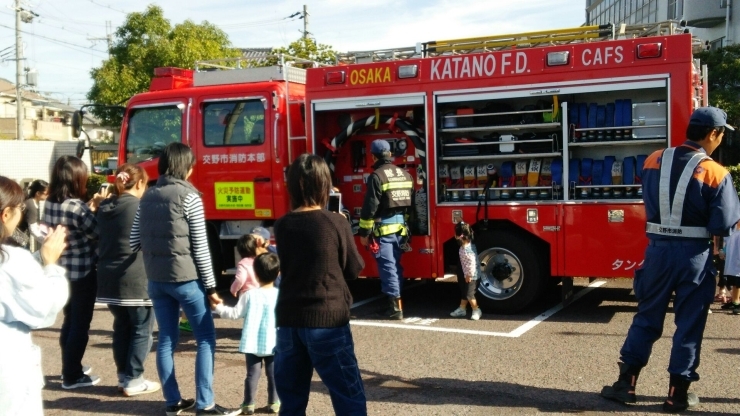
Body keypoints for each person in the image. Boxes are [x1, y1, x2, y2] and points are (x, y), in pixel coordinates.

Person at [601, 106, 740, 413]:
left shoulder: (654, 160)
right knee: (689, 325)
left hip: (657, 253)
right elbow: (724, 224)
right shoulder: (716, 173)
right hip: (694, 256)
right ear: (713, 134)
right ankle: (677, 394)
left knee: (646, 318)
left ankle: (626, 385)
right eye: (720, 135)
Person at [130, 142, 239, 416]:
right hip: (187, 280)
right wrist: (212, 287)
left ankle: (173, 402)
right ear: (186, 167)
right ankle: (206, 404)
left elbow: (133, 242)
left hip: (156, 280)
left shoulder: (147, 197)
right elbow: (201, 248)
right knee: (205, 338)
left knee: (166, 339)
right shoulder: (190, 198)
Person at [273, 153, 366, 415]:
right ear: (324, 184)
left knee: (291, 399)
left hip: (290, 321)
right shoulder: (335, 222)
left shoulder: (282, 225)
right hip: (327, 321)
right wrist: (344, 225)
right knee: (348, 395)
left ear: (293, 185)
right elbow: (354, 269)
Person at [0, 176, 68, 415]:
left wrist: (39, 258)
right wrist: (50, 265)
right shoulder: (9, 259)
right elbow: (43, 309)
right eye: (19, 208)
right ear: (5, 214)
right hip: (7, 367)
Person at [96, 164, 161, 397]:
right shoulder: (142, 207)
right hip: (135, 276)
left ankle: (124, 376)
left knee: (121, 327)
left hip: (107, 277)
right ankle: (134, 379)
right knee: (142, 328)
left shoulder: (104, 206)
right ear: (141, 183)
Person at [44, 155, 107, 389]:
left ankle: (69, 366)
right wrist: (98, 207)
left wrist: (90, 207)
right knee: (80, 324)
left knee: (70, 321)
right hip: (82, 271)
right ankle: (72, 375)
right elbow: (97, 231)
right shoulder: (76, 206)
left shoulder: (50, 202)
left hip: (60, 270)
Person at [214, 253, 281, 415]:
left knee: (252, 375)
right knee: (273, 375)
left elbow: (235, 314)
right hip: (273, 342)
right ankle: (274, 403)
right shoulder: (280, 295)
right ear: (278, 273)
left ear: (255, 274)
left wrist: (218, 307)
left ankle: (248, 404)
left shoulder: (249, 295)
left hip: (252, 343)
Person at [358, 139, 414, 320]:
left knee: (388, 267)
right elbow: (410, 205)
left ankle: (395, 308)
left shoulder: (377, 176)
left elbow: (370, 207)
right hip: (401, 231)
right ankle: (396, 303)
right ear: (390, 154)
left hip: (384, 231)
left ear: (373, 156)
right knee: (395, 267)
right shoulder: (405, 175)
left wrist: (364, 233)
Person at [449, 221, 483, 320]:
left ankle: (476, 310)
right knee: (465, 292)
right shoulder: (468, 245)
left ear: (459, 236)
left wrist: (469, 275)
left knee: (469, 294)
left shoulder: (467, 250)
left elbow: (472, 264)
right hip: (467, 274)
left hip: (472, 276)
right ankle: (462, 309)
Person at [230, 234, 266, 298]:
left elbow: (240, 279)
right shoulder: (260, 260)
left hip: (248, 294)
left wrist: (233, 290)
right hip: (262, 292)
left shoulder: (243, 263)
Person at [20, 179, 49, 251]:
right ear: (38, 193)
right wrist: (45, 241)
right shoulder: (31, 205)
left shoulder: (30, 201)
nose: (48, 196)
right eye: (46, 194)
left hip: (20, 236)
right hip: (19, 238)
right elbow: (33, 229)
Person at [720, 226, 740, 313]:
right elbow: (726, 241)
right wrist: (723, 250)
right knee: (735, 281)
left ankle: (737, 303)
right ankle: (734, 301)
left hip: (737, 260)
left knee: (738, 282)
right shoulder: (732, 229)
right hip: (732, 259)